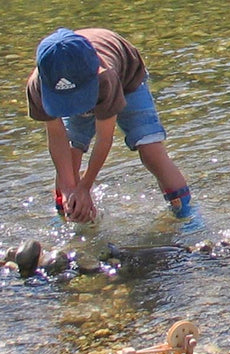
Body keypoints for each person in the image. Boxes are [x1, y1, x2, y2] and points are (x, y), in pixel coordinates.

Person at [26, 27, 201, 230]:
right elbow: (57, 139)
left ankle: (187, 214)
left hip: (127, 81)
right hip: (73, 86)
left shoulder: (105, 77)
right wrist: (68, 189)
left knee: (150, 150)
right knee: (71, 157)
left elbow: (104, 138)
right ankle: (66, 217)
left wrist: (85, 186)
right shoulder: (38, 87)